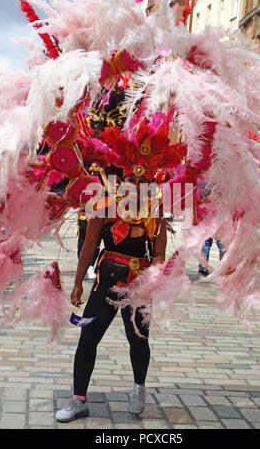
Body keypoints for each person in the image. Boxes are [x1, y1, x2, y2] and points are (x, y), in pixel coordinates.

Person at [55, 173, 167, 423]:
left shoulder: (155, 213)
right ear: (120, 182)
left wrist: (156, 283)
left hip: (139, 286)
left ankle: (139, 388)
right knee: (88, 337)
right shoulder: (104, 208)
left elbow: (159, 254)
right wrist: (77, 283)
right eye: (131, 180)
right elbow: (90, 245)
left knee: (138, 339)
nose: (136, 186)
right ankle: (78, 400)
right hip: (105, 282)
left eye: (142, 182)